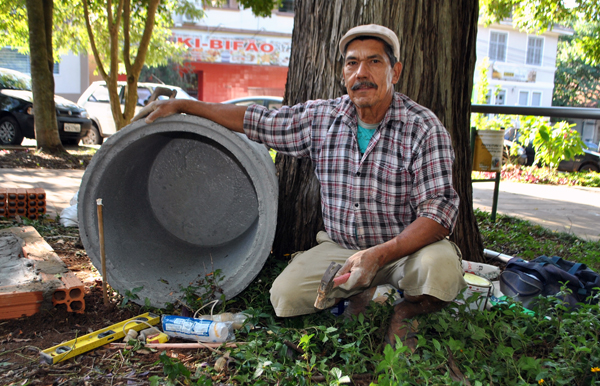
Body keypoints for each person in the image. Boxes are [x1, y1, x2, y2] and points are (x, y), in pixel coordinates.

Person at [133, 24, 467, 349]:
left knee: (441, 269)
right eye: (352, 63)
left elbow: (438, 212)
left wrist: (380, 255)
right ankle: (365, 291)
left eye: (374, 61)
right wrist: (184, 105)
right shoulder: (322, 119)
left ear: (395, 72)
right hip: (343, 248)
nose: (361, 72)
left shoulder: (423, 127)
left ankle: (408, 310)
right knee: (284, 296)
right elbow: (256, 121)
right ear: (343, 75)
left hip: (402, 251)